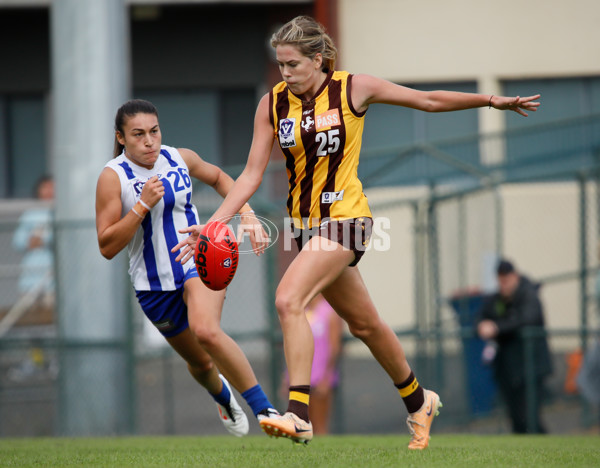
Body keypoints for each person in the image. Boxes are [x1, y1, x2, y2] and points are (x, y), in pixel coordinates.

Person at [172, 16, 540, 448]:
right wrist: (217, 223)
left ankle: (299, 414)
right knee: (365, 325)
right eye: (280, 64)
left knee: (288, 300)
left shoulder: (352, 88)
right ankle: (419, 400)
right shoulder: (272, 103)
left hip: (348, 220)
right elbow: (252, 175)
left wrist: (491, 100)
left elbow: (427, 101)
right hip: (305, 229)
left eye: (292, 64)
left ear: (317, 59)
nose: (284, 72)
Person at [95, 99, 278, 437]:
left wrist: (248, 214)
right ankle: (223, 397)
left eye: (154, 131)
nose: (149, 141)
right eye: (138, 134)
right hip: (153, 285)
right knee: (201, 362)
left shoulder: (179, 157)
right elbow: (107, 246)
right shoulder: (113, 177)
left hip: (199, 260)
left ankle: (266, 411)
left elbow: (222, 177)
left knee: (207, 331)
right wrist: (140, 207)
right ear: (121, 137)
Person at [475, 259, 552, 434]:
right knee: (516, 419)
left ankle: (546, 452)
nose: (504, 285)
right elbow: (480, 316)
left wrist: (497, 327)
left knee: (530, 418)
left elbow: (526, 319)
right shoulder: (497, 299)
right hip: (508, 369)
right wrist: (482, 325)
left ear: (515, 276)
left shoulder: (528, 295)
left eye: (507, 280)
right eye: (500, 281)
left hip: (531, 368)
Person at [281, 294, 344, 434]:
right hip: (301, 379)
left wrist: (327, 377)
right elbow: (294, 347)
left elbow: (334, 347)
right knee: (301, 426)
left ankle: (323, 455)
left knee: (320, 426)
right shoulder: (301, 312)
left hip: (320, 377)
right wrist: (287, 377)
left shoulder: (330, 313)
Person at [12, 175, 55, 307]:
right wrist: (29, 241)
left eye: (51, 187)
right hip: (29, 281)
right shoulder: (30, 213)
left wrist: (44, 240)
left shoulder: (60, 212)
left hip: (52, 281)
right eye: (45, 187)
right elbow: (17, 240)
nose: (48, 191)